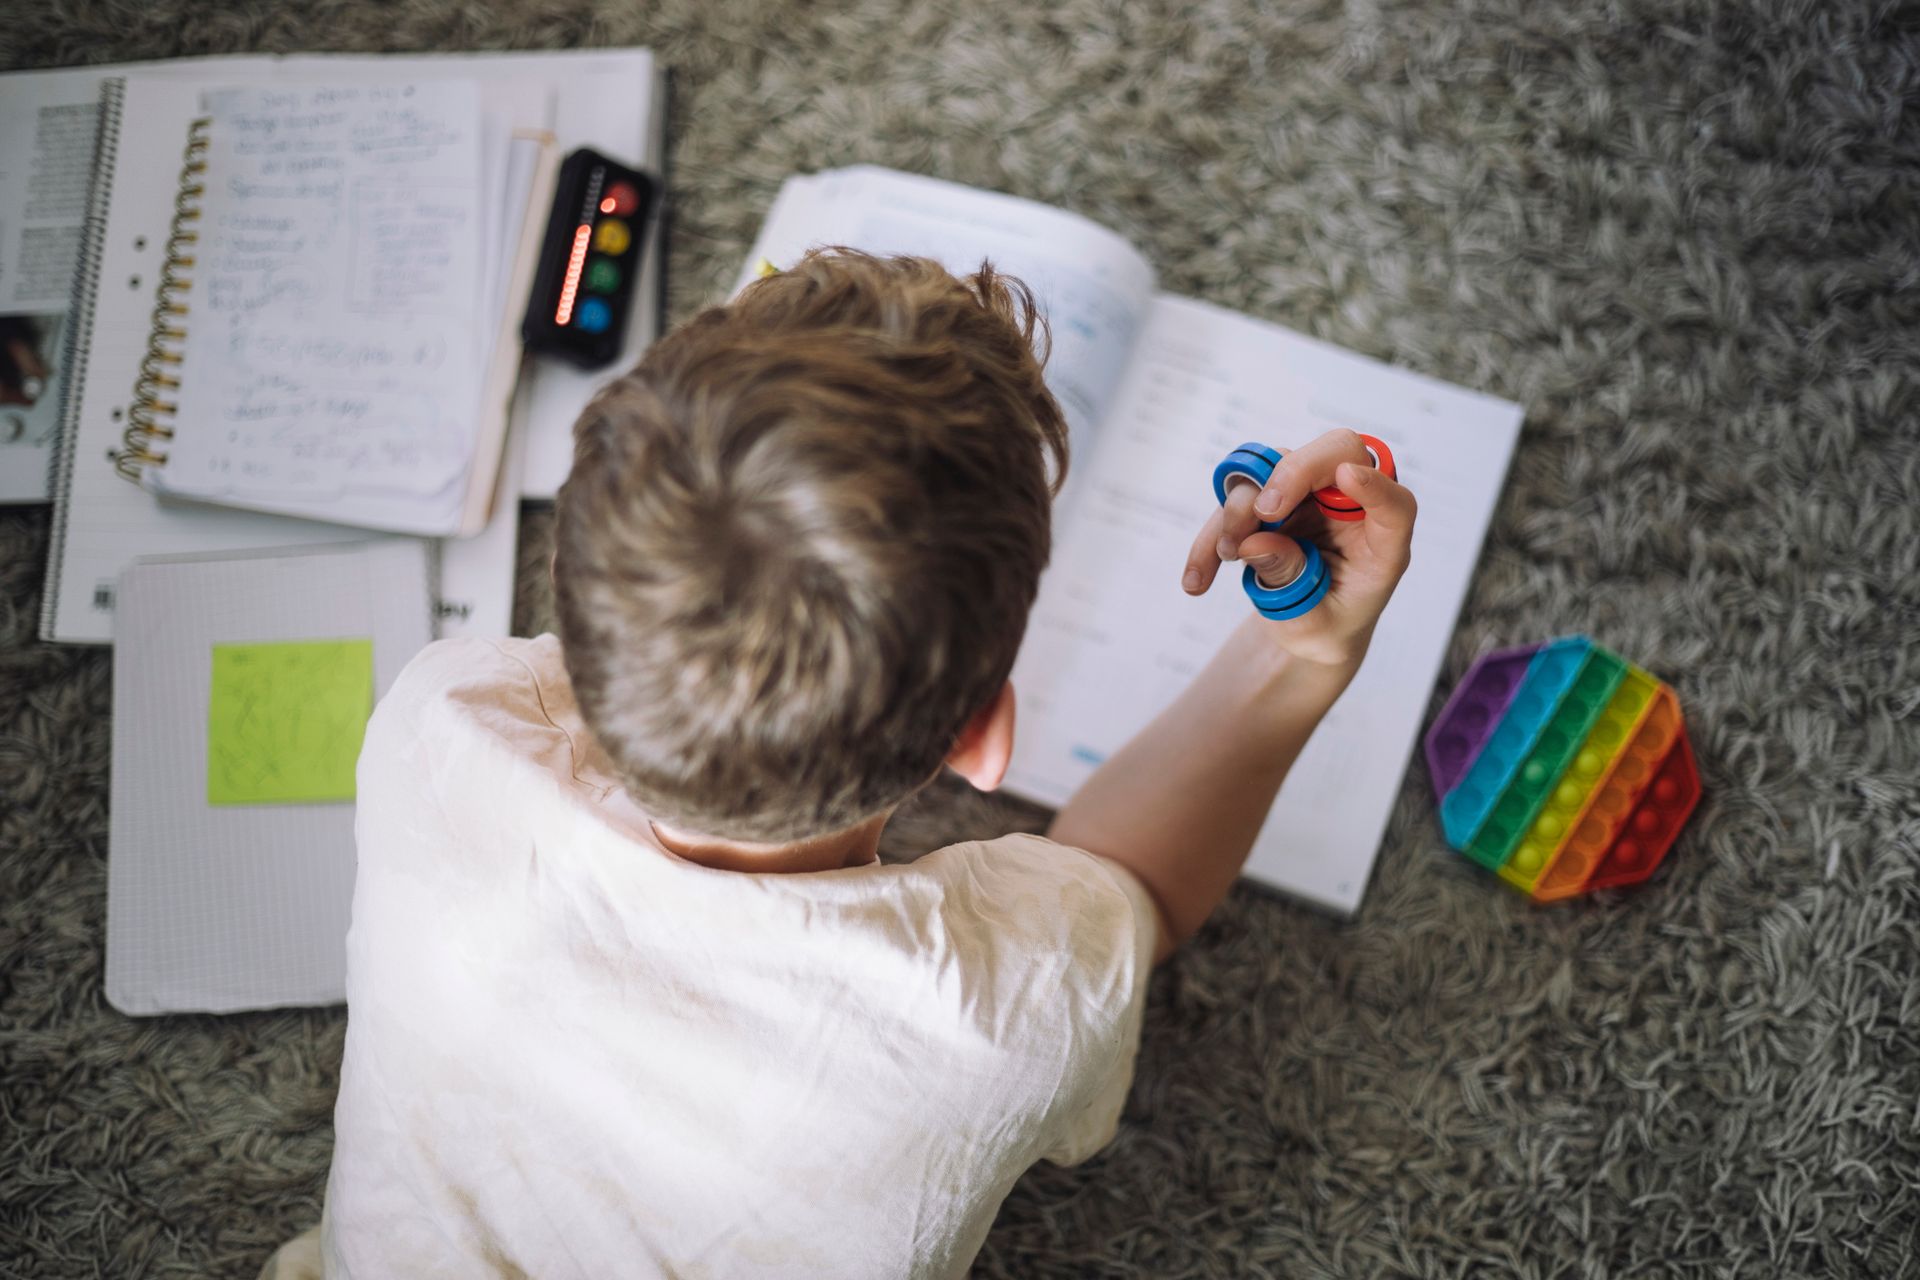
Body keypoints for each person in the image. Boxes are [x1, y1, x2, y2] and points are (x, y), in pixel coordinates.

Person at [261, 248, 1415, 1279]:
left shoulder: (444, 718)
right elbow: (1134, 892)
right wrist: (1304, 645)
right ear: (983, 741)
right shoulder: (997, 1012)